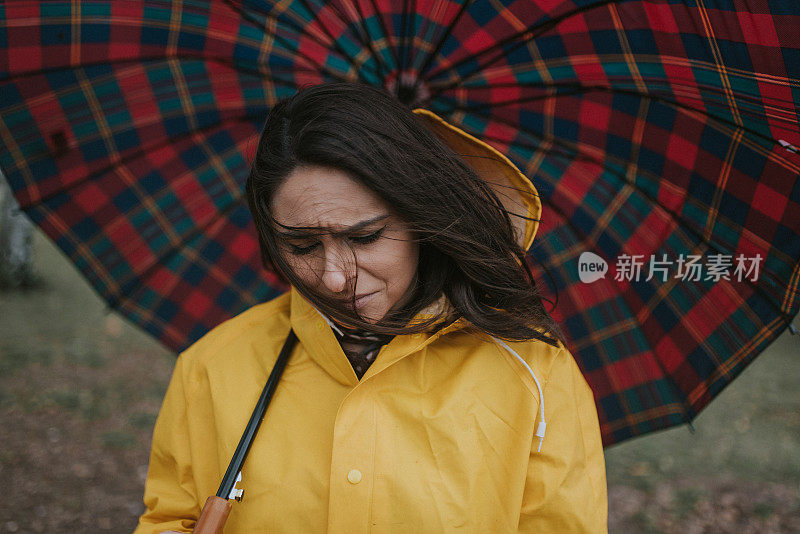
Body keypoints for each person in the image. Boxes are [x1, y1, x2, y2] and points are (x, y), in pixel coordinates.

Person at [136, 82, 607, 533]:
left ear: (426, 219)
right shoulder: (212, 367)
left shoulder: (534, 374)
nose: (334, 277)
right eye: (301, 246)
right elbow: (170, 516)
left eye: (364, 237)